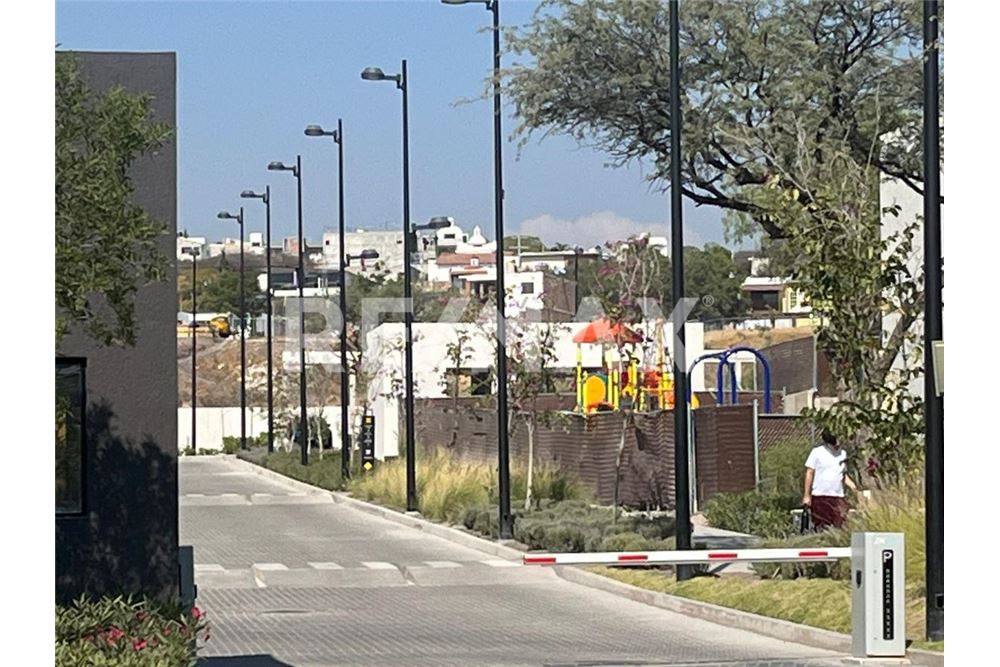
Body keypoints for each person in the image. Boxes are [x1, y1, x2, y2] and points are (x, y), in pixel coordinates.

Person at [803, 430, 858, 530]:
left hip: (838, 496)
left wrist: (854, 488)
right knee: (822, 526)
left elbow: (843, 475)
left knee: (840, 525)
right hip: (820, 495)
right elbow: (810, 473)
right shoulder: (817, 452)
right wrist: (807, 495)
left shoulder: (843, 454)